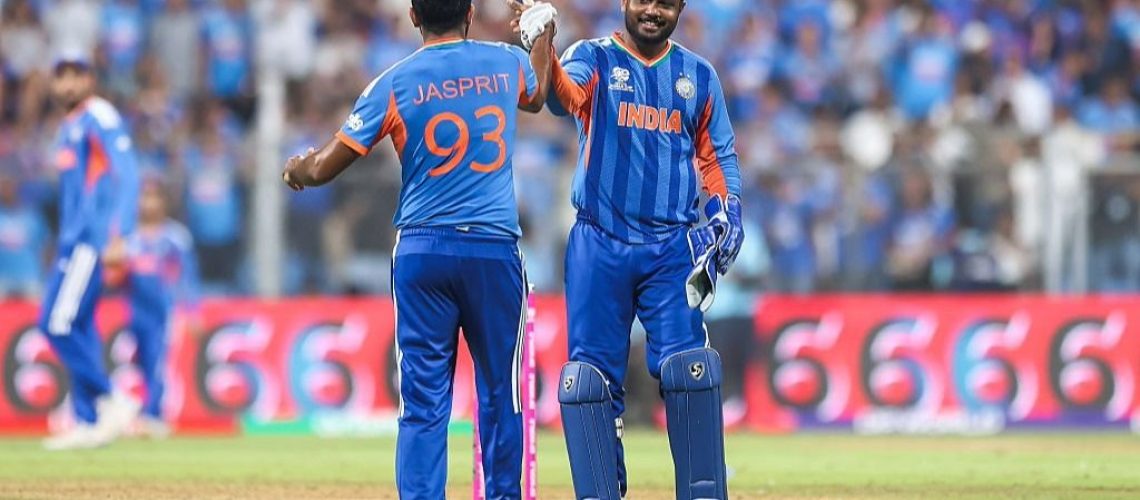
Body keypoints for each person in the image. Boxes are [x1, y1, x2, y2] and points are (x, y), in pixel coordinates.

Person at [280, 0, 555, 497]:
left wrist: (297, 167)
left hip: (422, 250)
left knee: (425, 399)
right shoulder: (504, 61)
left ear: (412, 16)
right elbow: (537, 95)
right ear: (470, 12)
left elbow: (323, 168)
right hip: (493, 248)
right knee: (501, 393)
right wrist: (544, 34)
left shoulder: (394, 82)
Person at [515, 0, 744, 497]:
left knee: (691, 372)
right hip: (600, 240)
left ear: (680, 8)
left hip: (672, 249)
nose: (652, 11)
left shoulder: (698, 76)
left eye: (665, 3)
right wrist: (544, 44)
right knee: (588, 383)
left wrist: (727, 212)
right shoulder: (593, 57)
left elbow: (716, 157)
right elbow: (561, 97)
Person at [39, 52, 142, 451]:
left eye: (75, 76)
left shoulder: (99, 115)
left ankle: (112, 399)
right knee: (78, 325)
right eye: (60, 76)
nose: (67, 84)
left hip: (91, 240)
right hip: (73, 240)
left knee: (58, 324)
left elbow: (127, 172)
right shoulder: (71, 124)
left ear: (90, 80)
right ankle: (87, 419)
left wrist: (122, 233)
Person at [122, 178, 201, 438]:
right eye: (144, 197)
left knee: (158, 363)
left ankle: (154, 417)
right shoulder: (128, 236)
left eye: (154, 197)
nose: (148, 203)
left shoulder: (175, 237)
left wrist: (192, 311)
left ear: (163, 202)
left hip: (163, 311)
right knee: (140, 363)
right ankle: (144, 414)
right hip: (133, 310)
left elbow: (187, 276)